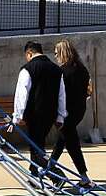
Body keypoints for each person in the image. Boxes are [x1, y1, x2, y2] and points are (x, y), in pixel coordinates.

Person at [12, 41, 67, 181]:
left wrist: (17, 116)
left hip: (34, 114)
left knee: (36, 148)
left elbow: (21, 93)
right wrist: (61, 116)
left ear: (29, 53)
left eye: (27, 56)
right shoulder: (56, 69)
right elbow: (62, 94)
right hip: (50, 115)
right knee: (37, 144)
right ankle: (34, 174)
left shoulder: (28, 69)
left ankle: (56, 175)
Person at [49, 40, 92, 188]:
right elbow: (88, 91)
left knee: (72, 143)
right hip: (79, 110)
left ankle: (83, 176)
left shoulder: (62, 72)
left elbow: (57, 94)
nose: (55, 56)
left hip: (66, 112)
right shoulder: (82, 69)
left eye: (56, 53)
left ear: (62, 52)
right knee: (63, 140)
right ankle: (49, 168)